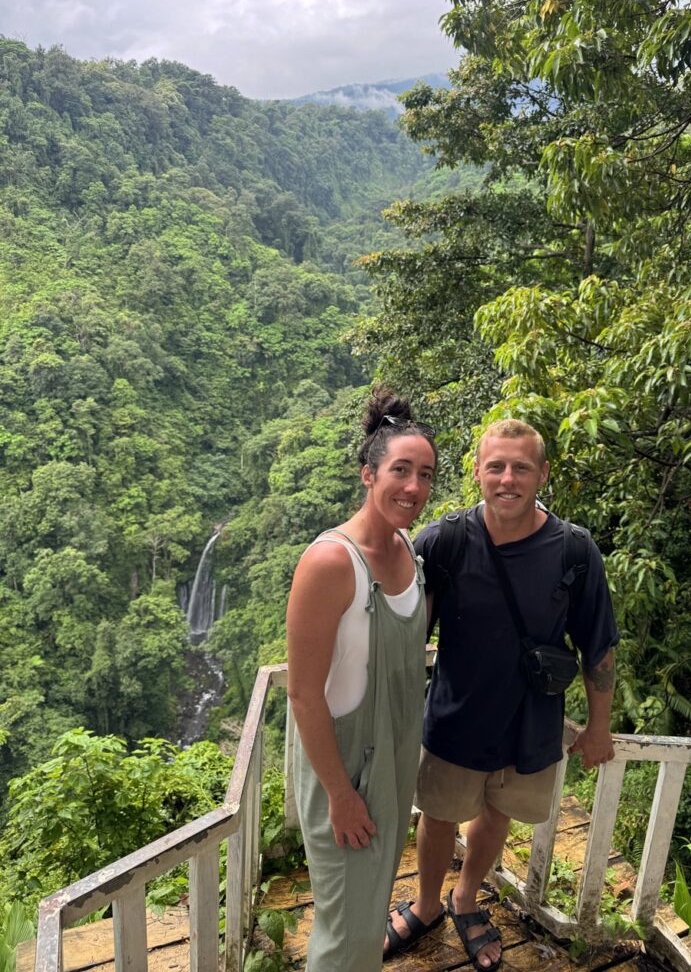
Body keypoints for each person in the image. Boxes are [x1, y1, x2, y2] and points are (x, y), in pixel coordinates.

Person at [384, 418, 618, 971]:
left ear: (542, 473)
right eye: (496, 466)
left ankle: (465, 899)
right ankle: (426, 905)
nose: (507, 478)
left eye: (520, 467)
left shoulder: (574, 551)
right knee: (439, 815)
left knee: (497, 812)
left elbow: (598, 646)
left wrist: (600, 726)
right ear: (477, 473)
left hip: (532, 724)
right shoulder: (446, 541)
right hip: (455, 717)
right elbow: (403, 631)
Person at [286, 388, 437, 971]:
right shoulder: (330, 562)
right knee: (346, 932)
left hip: (395, 761)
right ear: (368, 474)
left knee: (367, 910)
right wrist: (340, 795)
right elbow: (302, 694)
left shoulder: (406, 550)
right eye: (401, 470)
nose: (414, 487)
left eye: (425, 474)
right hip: (345, 770)